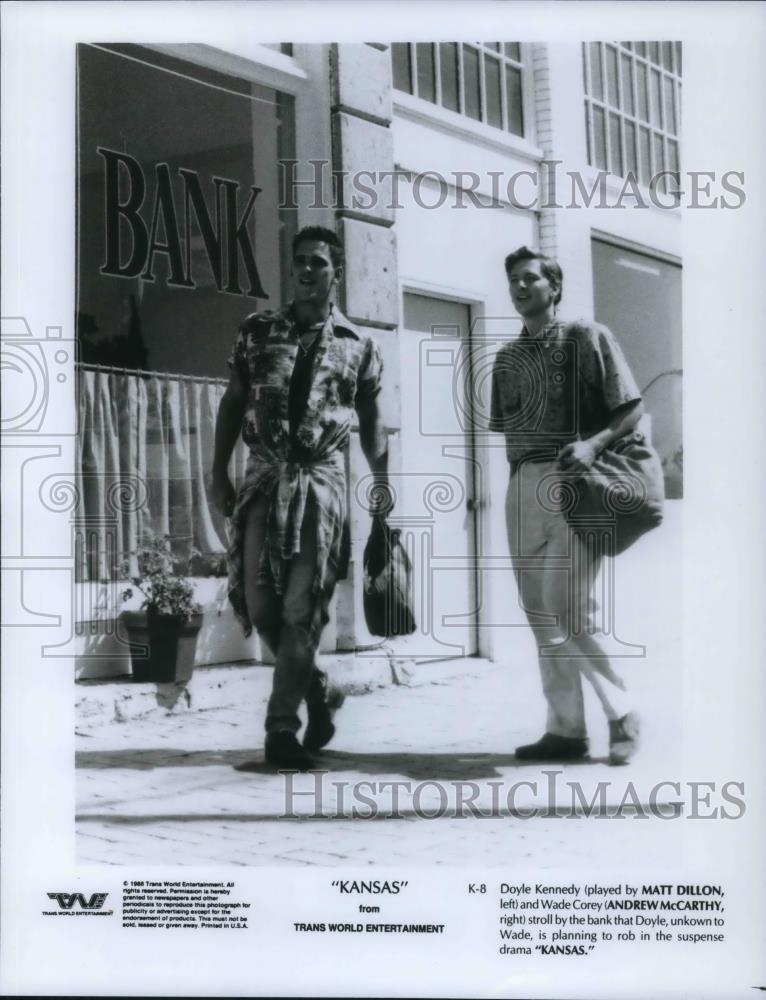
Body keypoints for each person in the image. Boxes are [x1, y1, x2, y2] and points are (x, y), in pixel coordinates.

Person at [211, 226, 390, 770]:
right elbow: (233, 400)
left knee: (300, 607)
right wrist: (216, 471)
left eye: (317, 263)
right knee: (261, 604)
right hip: (263, 477)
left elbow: (373, 422)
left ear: (337, 271)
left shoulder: (359, 345)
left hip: (322, 482)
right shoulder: (257, 330)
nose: (307, 271)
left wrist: (382, 485)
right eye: (299, 263)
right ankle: (318, 687)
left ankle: (280, 729)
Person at [490, 246, 643, 765]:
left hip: (575, 480)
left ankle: (623, 713)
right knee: (539, 612)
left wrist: (593, 444)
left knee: (569, 606)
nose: (520, 286)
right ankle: (565, 729)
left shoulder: (587, 337)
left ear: (553, 287)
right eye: (513, 279)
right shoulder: (506, 358)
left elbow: (631, 409)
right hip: (522, 484)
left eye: (531, 278)